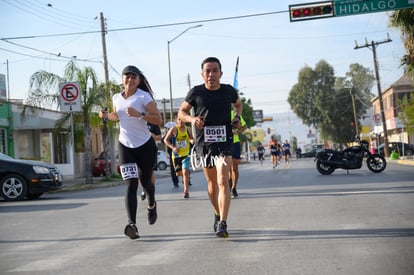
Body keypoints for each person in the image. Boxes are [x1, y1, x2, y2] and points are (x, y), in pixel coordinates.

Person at [178, 57, 242, 238]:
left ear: (221, 73)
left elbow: (238, 105)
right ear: (202, 74)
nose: (211, 74)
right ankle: (216, 213)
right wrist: (192, 119)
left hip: (224, 141)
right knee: (212, 184)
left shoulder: (228, 91)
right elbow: (181, 113)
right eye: (208, 71)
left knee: (223, 180)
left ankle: (223, 222)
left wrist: (236, 117)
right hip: (204, 143)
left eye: (215, 70)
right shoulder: (195, 92)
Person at [99, 65, 161, 240]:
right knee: (130, 184)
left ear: (139, 80)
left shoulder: (144, 97)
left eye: (134, 77)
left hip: (144, 145)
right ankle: (132, 224)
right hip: (125, 145)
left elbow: (158, 119)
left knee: (145, 182)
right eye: (127, 76)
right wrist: (105, 116)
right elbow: (117, 116)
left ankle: (151, 204)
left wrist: (140, 114)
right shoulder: (117, 97)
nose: (130, 80)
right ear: (122, 79)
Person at [163, 117, 193, 198]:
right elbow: (166, 140)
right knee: (178, 173)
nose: (180, 121)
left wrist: (192, 141)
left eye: (182, 120)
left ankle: (186, 191)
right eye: (179, 120)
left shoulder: (188, 129)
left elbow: (191, 138)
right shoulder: (174, 129)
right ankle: (183, 176)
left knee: (185, 171)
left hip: (186, 153)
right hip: (176, 155)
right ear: (176, 121)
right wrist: (173, 148)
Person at [140, 122, 161, 201]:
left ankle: (151, 191)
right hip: (138, 148)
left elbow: (159, 137)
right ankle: (143, 190)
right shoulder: (137, 120)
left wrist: (154, 136)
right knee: (139, 172)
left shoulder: (153, 122)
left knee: (150, 171)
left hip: (150, 149)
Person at [229, 110, 247, 198]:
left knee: (234, 168)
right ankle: (229, 181)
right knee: (226, 167)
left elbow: (244, 126)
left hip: (235, 143)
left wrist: (238, 131)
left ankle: (233, 187)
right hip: (224, 143)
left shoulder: (236, 115)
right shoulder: (219, 112)